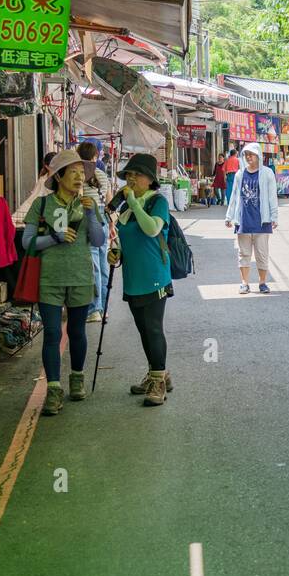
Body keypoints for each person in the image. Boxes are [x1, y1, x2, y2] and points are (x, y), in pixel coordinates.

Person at [22, 148, 105, 416]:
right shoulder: (42, 206)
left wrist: (91, 216)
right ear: (58, 176)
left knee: (78, 331)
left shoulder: (88, 203)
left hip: (81, 277)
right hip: (50, 279)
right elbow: (27, 244)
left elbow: (99, 240)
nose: (80, 177)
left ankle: (77, 379)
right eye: (73, 172)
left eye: (82, 172)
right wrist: (54, 238)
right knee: (53, 333)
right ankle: (54, 389)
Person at [114, 153, 173, 406]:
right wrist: (115, 250)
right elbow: (125, 237)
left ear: (150, 180)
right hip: (133, 278)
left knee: (153, 327)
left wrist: (135, 204)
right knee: (142, 330)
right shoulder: (126, 206)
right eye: (128, 175)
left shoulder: (156, 202)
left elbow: (152, 229)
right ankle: (156, 373)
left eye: (136, 174)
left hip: (154, 277)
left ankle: (158, 380)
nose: (131, 179)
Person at [224, 142, 278, 294]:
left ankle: (262, 283)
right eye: (246, 155)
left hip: (262, 221)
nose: (248, 157)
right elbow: (234, 196)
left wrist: (274, 216)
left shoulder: (267, 173)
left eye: (251, 154)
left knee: (262, 253)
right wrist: (229, 216)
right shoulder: (240, 174)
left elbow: (272, 197)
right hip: (243, 220)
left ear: (258, 155)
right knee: (244, 253)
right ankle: (244, 283)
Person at [77, 140, 114, 323]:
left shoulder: (79, 177)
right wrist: (112, 225)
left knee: (94, 269)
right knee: (103, 266)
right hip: (103, 222)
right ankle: (105, 308)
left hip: (89, 222)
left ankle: (95, 309)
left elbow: (79, 203)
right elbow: (110, 204)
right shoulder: (102, 175)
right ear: (95, 156)